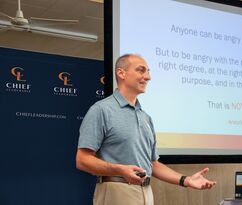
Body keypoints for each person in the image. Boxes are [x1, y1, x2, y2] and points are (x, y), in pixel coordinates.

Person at [76, 54, 216, 205]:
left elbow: (153, 164)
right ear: (121, 73)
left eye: (148, 72)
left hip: (146, 192)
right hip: (116, 191)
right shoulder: (101, 110)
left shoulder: (146, 118)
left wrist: (186, 180)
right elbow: (82, 160)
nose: (148, 77)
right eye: (141, 70)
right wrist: (120, 170)